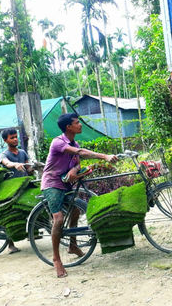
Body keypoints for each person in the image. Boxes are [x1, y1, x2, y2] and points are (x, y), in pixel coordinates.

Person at [41, 113, 118, 278]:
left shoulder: (74, 142)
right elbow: (81, 152)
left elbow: (77, 164)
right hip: (52, 183)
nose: (80, 125)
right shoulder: (58, 142)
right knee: (59, 219)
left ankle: (73, 245)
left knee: (75, 211)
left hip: (66, 182)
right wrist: (104, 156)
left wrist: (74, 170)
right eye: (77, 122)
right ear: (69, 127)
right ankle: (56, 259)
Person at [0, 128, 34, 253]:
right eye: (12, 137)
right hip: (10, 189)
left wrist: (33, 167)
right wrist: (14, 164)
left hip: (23, 187)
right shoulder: (4, 154)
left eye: (15, 137)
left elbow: (28, 167)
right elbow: (6, 163)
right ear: (5, 140)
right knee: (9, 215)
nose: (15, 139)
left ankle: (32, 232)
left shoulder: (22, 153)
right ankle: (10, 244)